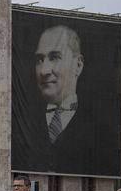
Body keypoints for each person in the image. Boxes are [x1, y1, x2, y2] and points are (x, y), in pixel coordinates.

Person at [12, 24, 91, 173]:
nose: (44, 71)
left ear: (78, 64)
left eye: (55, 57)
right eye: (40, 60)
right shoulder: (23, 120)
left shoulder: (97, 123)